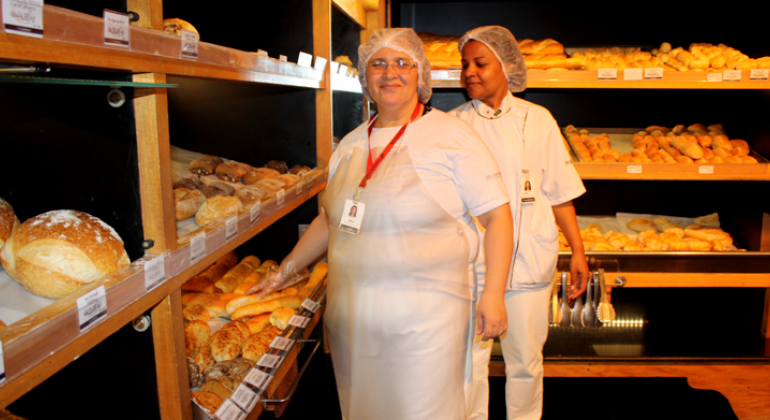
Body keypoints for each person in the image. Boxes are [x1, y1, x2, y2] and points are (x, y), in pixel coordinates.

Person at [250, 28, 514, 420]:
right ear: (365, 76)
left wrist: (493, 294)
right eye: (379, 63)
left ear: (420, 75)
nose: (390, 72)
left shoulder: (451, 137)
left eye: (402, 63)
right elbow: (332, 219)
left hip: (427, 324)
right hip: (354, 323)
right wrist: (286, 269)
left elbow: (498, 218)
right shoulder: (351, 144)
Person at [448, 26, 590, 420]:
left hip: (529, 262)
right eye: (465, 65)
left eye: (480, 63)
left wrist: (578, 251)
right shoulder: (451, 125)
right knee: (468, 367)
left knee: (526, 362)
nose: (469, 72)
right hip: (472, 267)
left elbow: (558, 192)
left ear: (507, 67)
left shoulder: (538, 120)